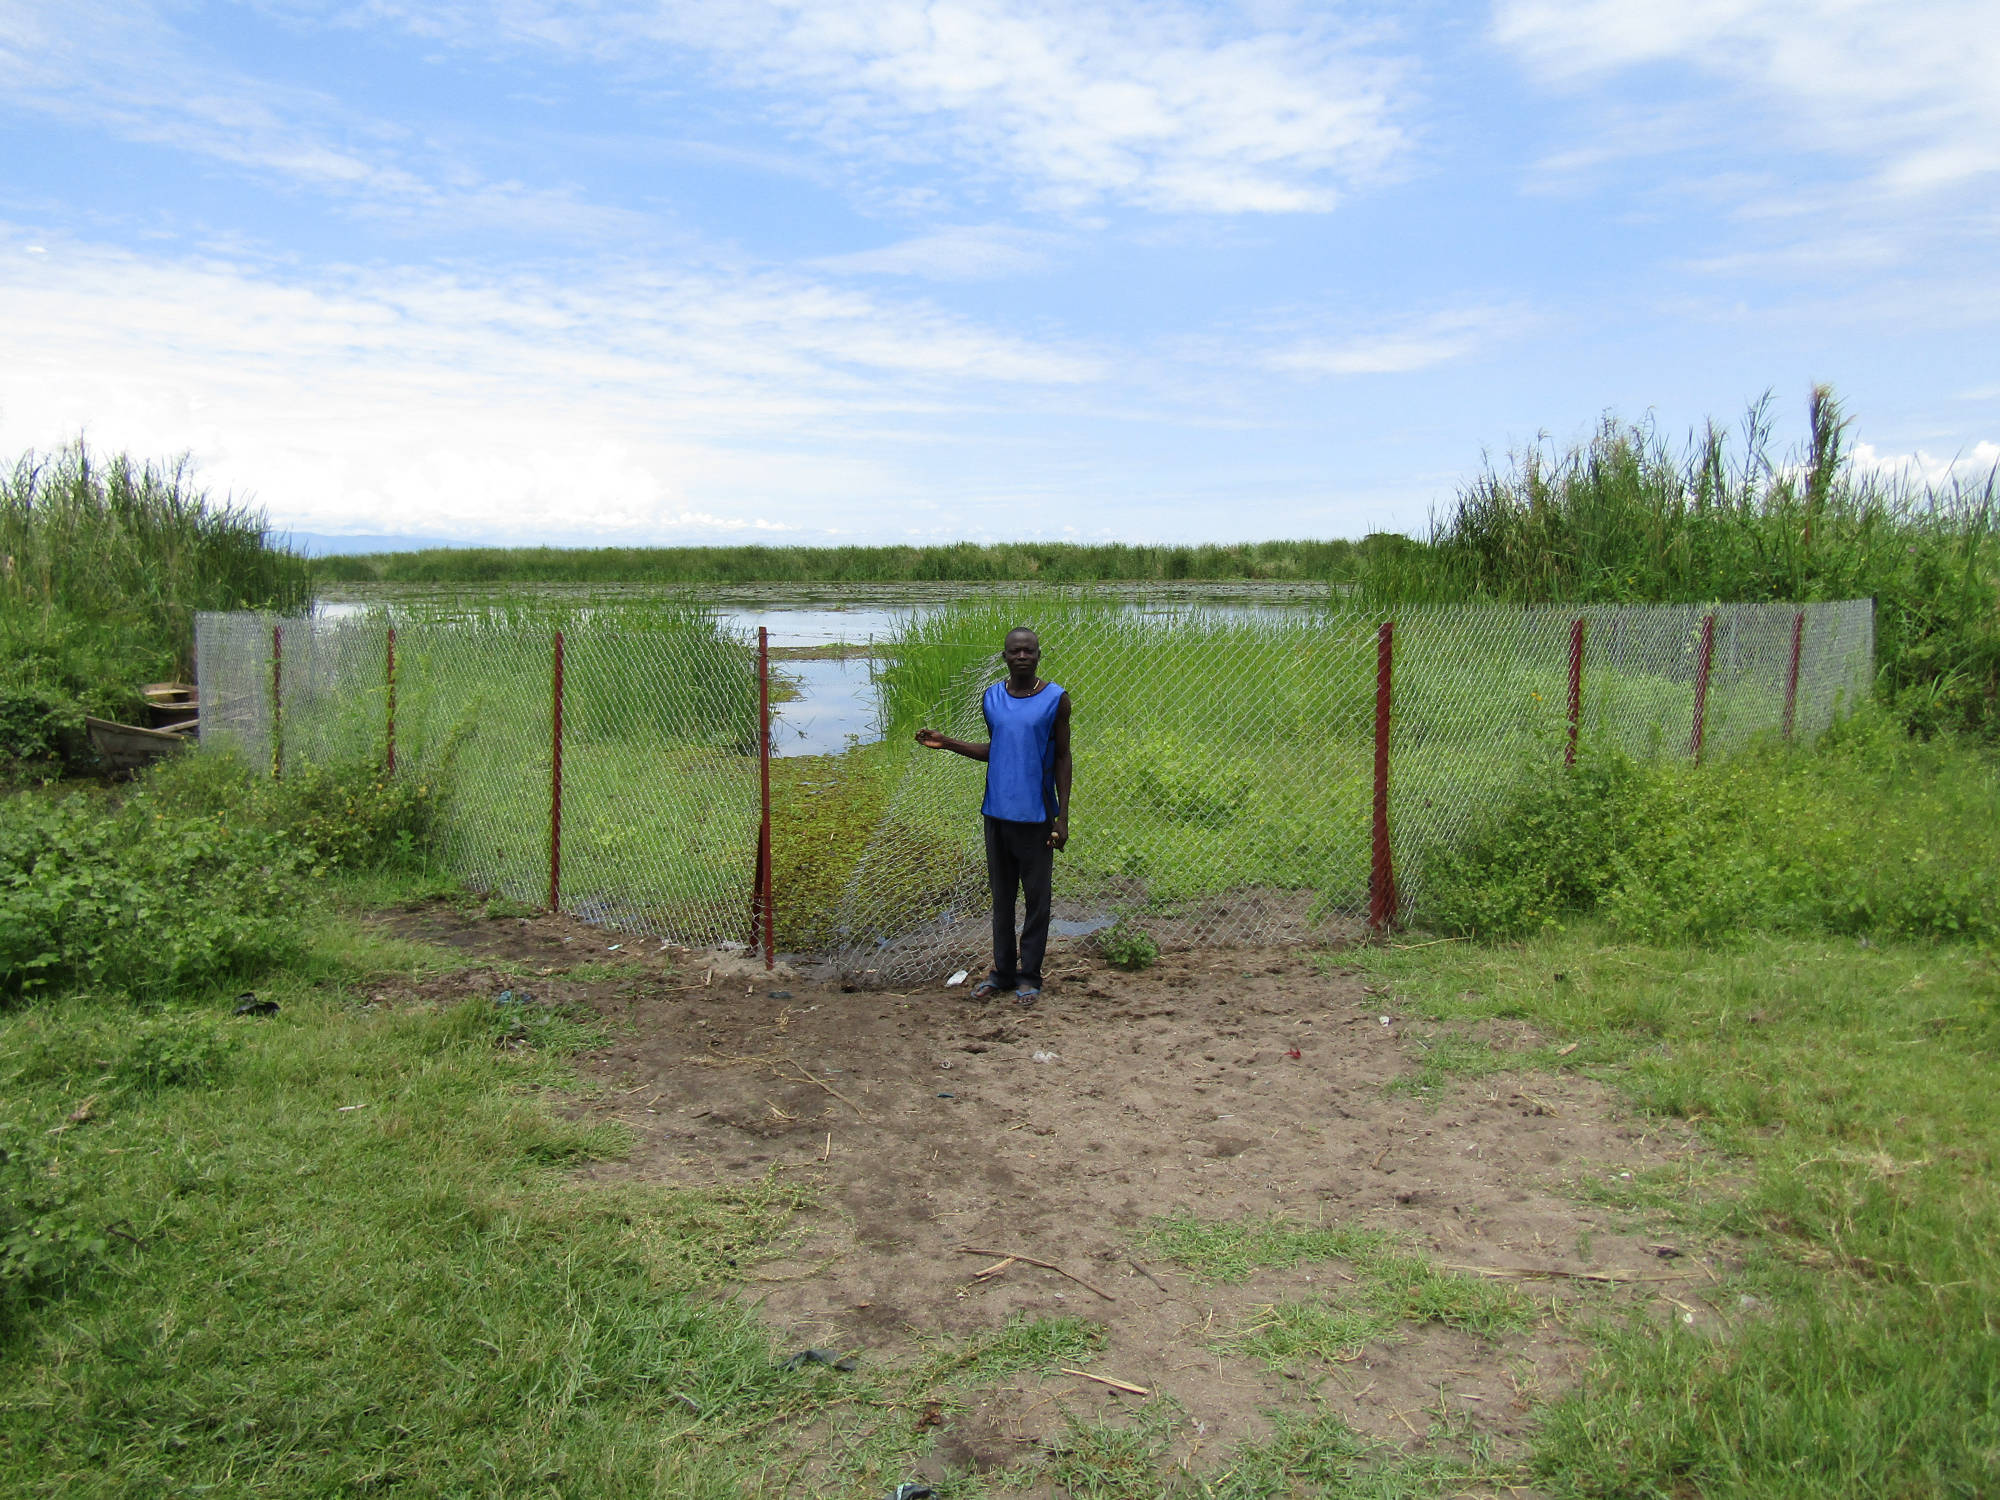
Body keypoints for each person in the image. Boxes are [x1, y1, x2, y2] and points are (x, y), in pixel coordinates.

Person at [916, 627, 1072, 1006]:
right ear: (1004, 657)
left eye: (1029, 651)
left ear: (1039, 655)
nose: (1022, 656)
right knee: (1002, 900)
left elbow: (1064, 757)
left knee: (1037, 902)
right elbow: (997, 750)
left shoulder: (1056, 700)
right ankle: (1001, 972)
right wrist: (949, 743)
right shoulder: (992, 698)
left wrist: (1062, 817)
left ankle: (1029, 975)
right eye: (1015, 651)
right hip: (997, 815)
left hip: (1036, 818)